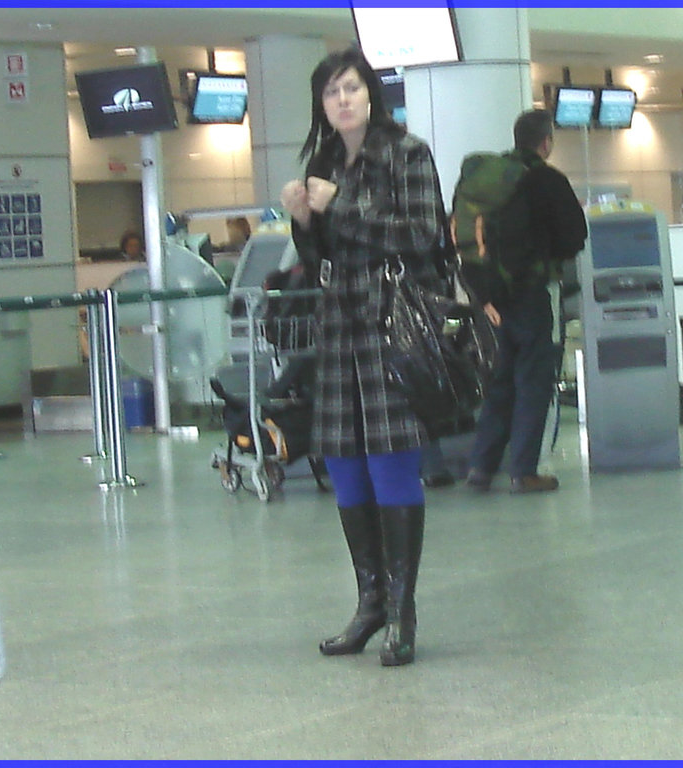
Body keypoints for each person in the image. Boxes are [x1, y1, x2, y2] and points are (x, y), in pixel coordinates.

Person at [280, 46, 446, 667]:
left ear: (370, 94)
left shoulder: (407, 154)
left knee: (390, 462)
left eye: (350, 88)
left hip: (390, 323)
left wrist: (338, 206)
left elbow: (420, 232)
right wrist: (303, 220)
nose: (341, 100)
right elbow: (319, 252)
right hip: (339, 324)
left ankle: (402, 611)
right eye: (330, 93)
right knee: (344, 462)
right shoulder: (323, 160)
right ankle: (369, 601)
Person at [464, 109, 588, 494]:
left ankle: (481, 468)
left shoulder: (487, 178)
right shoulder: (548, 179)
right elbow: (575, 236)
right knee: (534, 380)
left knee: (500, 380)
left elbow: (467, 237)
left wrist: (482, 293)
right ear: (546, 142)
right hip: (533, 293)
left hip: (490, 297)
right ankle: (524, 470)